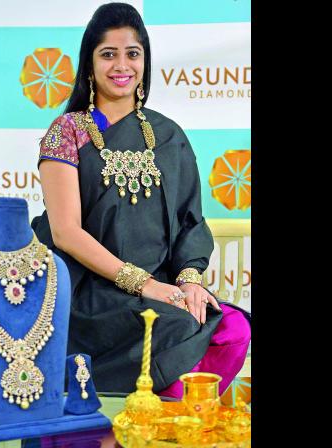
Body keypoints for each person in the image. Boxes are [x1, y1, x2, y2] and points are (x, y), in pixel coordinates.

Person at [31, 2, 250, 399]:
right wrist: (145, 285)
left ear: (145, 61)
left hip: (162, 284)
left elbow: (189, 221)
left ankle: (172, 424)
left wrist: (189, 281)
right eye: (108, 53)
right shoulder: (69, 132)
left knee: (232, 326)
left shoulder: (168, 136)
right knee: (175, 328)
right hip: (92, 292)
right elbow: (65, 233)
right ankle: (131, 430)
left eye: (132, 53)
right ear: (90, 63)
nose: (122, 65)